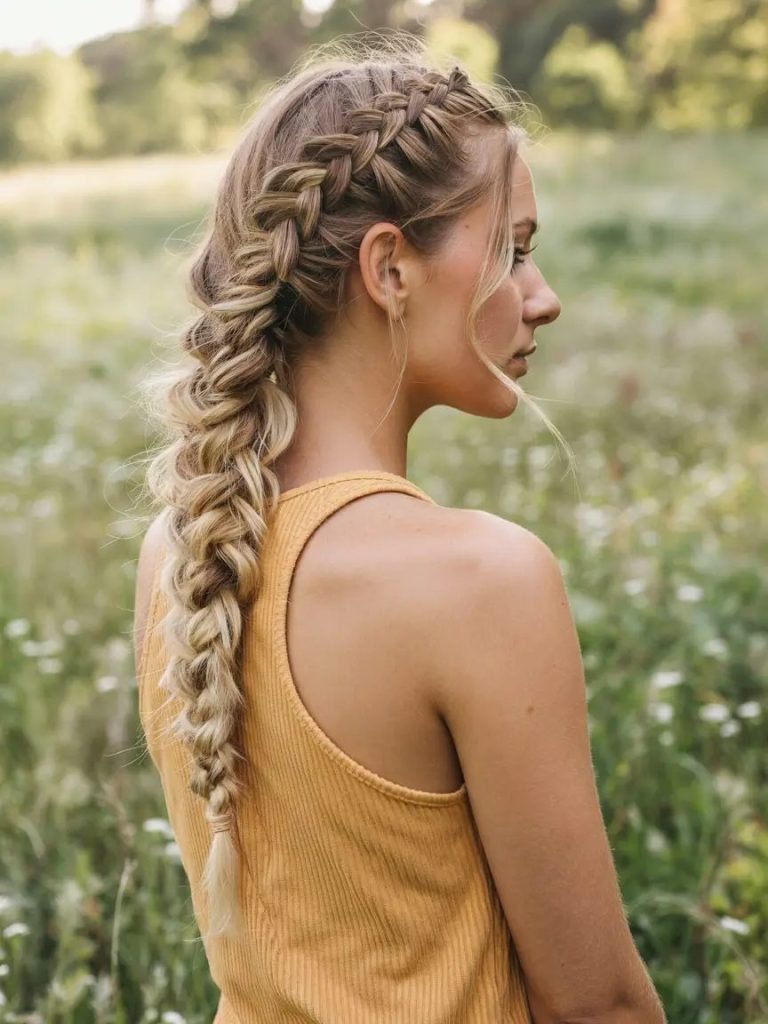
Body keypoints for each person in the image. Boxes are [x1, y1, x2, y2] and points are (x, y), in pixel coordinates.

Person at [134, 35, 667, 1024]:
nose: (543, 297)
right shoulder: (479, 583)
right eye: (513, 250)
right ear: (389, 268)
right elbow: (598, 1007)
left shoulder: (184, 550)